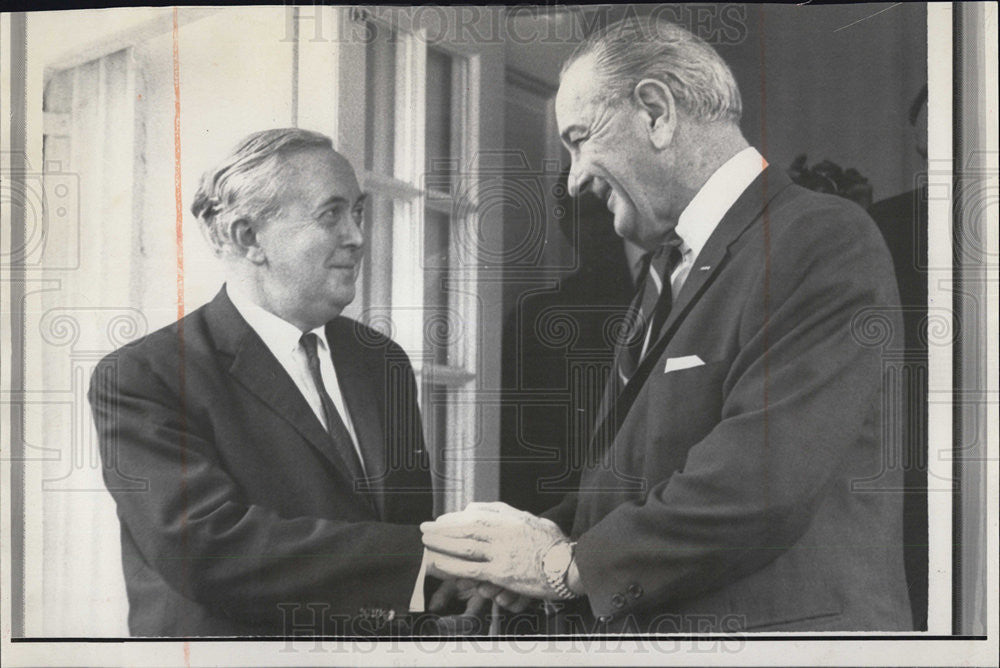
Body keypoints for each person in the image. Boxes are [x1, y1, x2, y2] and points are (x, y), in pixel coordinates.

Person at [421, 18, 913, 633]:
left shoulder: (819, 237)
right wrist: (524, 551)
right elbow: (638, 480)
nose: (573, 179)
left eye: (579, 139)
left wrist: (559, 566)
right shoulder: (666, 270)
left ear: (655, 111)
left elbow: (757, 486)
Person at [89, 129, 461, 636]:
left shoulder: (382, 362)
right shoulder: (144, 375)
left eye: (358, 211)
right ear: (249, 238)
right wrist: (434, 558)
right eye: (331, 214)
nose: (356, 236)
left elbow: (405, 532)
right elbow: (208, 548)